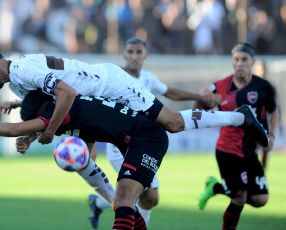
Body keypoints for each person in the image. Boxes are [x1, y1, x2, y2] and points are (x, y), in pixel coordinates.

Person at [0, 46, 269, 150]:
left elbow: (67, 92)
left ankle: (240, 116)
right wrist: (33, 131)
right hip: (96, 99)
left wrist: (45, 132)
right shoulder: (20, 84)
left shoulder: (22, 69)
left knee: (173, 123)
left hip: (111, 86)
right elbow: (51, 105)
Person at [0, 90, 170, 230]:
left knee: (122, 198)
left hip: (146, 138)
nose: (41, 127)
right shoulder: (68, 105)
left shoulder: (59, 114)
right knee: (123, 201)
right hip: (136, 140)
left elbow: (13, 129)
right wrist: (30, 135)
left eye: (38, 124)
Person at [88, 37, 223, 228]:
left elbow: (170, 92)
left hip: (142, 144)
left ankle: (98, 203)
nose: (134, 56)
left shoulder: (148, 78)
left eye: (138, 52)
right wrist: (90, 144)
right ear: (124, 54)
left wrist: (199, 97)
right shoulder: (114, 77)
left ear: (145, 55)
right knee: (137, 196)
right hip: (120, 148)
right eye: (130, 52)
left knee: (149, 198)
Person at [194, 43, 278, 230]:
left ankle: (215, 187)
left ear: (252, 62)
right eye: (236, 59)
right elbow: (196, 109)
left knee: (260, 199)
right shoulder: (220, 86)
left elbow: (274, 110)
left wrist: (271, 134)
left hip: (249, 152)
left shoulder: (264, 87)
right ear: (232, 61)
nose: (240, 63)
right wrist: (202, 96)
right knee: (240, 197)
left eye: (244, 60)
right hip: (227, 151)